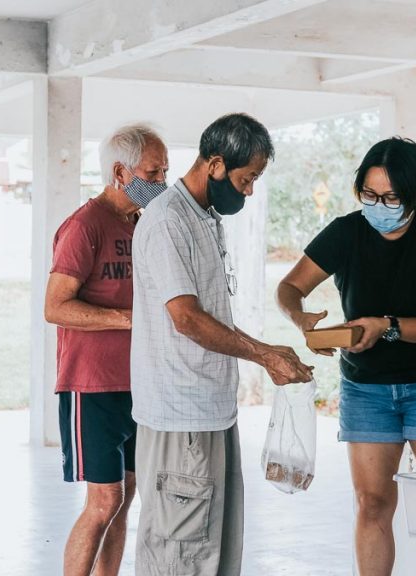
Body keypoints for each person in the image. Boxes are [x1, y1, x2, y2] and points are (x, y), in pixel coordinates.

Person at [276, 137, 416, 576]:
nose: (378, 205)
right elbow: (289, 287)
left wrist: (386, 325)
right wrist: (301, 319)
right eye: (369, 194)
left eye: (390, 197)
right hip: (366, 391)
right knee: (372, 503)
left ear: (415, 195)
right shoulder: (346, 232)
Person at [130, 113, 314, 576]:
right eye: (246, 179)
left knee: (211, 552)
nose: (249, 191)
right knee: (181, 555)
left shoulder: (205, 217)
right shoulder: (166, 220)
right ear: (214, 164)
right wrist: (265, 355)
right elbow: (187, 319)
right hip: (180, 419)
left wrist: (268, 352)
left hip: (210, 413)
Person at [44, 124, 170, 576]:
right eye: (154, 173)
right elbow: (55, 306)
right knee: (103, 501)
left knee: (125, 498)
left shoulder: (142, 223)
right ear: (121, 171)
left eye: (164, 172)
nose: (161, 183)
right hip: (91, 385)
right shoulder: (84, 226)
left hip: (139, 384)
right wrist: (129, 320)